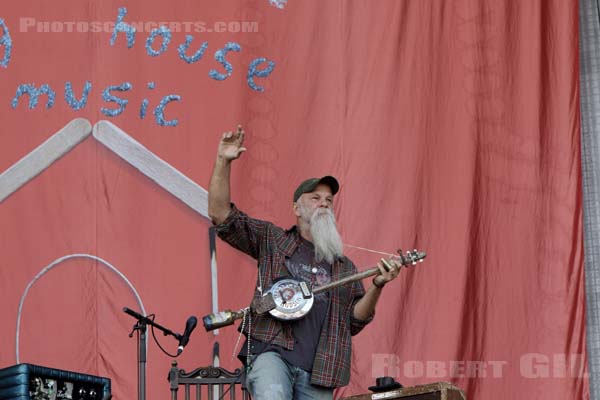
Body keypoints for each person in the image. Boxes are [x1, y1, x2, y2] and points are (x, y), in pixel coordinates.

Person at [208, 126, 402, 400]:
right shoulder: (272, 240)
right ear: (296, 208)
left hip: (320, 372)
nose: (323, 204)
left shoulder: (344, 266)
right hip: (271, 354)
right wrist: (223, 160)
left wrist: (378, 286)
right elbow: (221, 215)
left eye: (328, 200)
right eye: (315, 198)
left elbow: (354, 321)